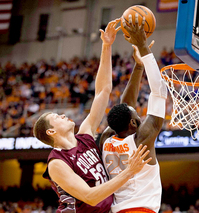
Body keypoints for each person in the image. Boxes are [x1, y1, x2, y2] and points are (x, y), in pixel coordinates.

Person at [33, 18, 152, 213]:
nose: (63, 115)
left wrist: (106, 46)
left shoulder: (85, 136)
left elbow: (103, 91)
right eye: (57, 117)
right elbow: (91, 196)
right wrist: (130, 170)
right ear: (51, 130)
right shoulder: (56, 163)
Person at [99, 14, 167, 213]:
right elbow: (159, 92)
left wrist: (138, 66)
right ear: (134, 124)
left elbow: (125, 107)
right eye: (137, 115)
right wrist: (144, 49)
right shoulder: (142, 140)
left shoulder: (107, 138)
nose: (138, 113)